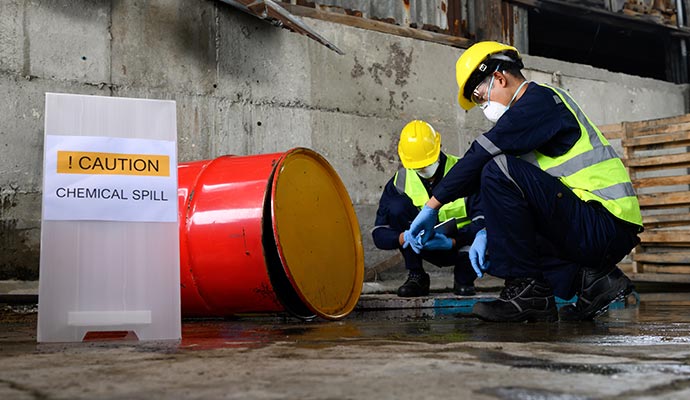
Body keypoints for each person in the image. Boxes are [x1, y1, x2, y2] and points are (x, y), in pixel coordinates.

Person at [404, 41, 643, 322]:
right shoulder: (529, 121)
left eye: (480, 97)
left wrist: (433, 205)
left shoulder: (539, 102)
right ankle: (592, 282)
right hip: (592, 224)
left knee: (495, 168)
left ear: (499, 78)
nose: (483, 106)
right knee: (504, 236)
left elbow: (481, 155)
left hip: (605, 223)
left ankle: (528, 292)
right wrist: (487, 232)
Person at [372, 120, 485, 297]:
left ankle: (464, 278)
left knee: (465, 284)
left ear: (439, 147)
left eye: (427, 162)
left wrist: (454, 242)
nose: (424, 168)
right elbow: (379, 233)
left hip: (462, 245)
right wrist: (404, 237)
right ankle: (417, 275)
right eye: (418, 166)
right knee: (396, 207)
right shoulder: (400, 183)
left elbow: (484, 221)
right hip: (422, 246)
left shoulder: (463, 172)